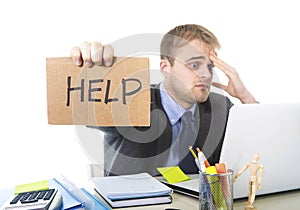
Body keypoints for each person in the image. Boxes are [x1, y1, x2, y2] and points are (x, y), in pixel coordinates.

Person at [71, 24, 257, 176]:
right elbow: (89, 111)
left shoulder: (219, 107)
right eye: (194, 65)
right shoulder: (132, 100)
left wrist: (245, 97)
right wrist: (93, 70)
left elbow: (260, 148)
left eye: (209, 67)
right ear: (165, 67)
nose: (206, 75)